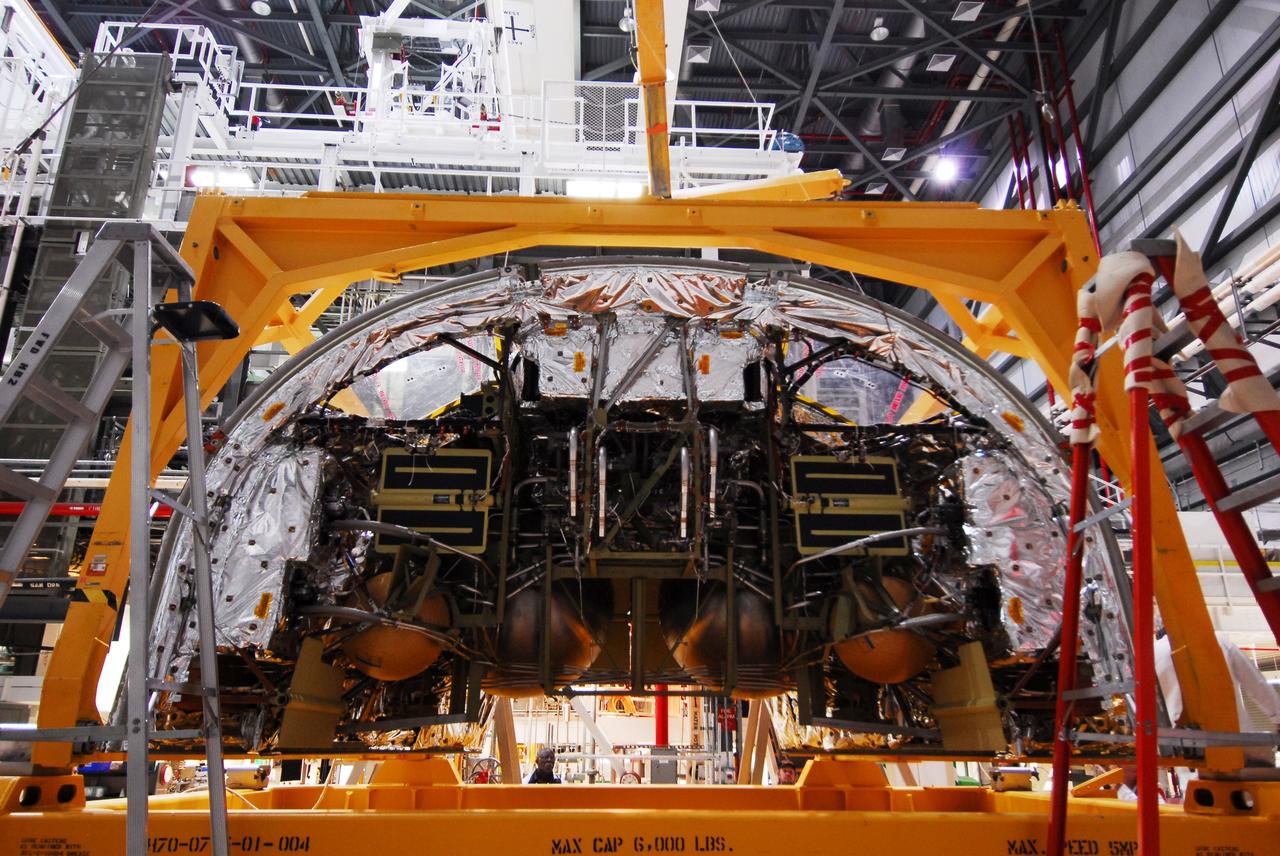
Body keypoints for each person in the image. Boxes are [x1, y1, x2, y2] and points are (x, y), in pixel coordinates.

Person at [1154, 627, 1280, 766]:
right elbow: (1257, 684)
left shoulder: (1153, 654)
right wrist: (1277, 717)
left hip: (1190, 748)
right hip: (1238, 740)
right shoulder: (1220, 641)